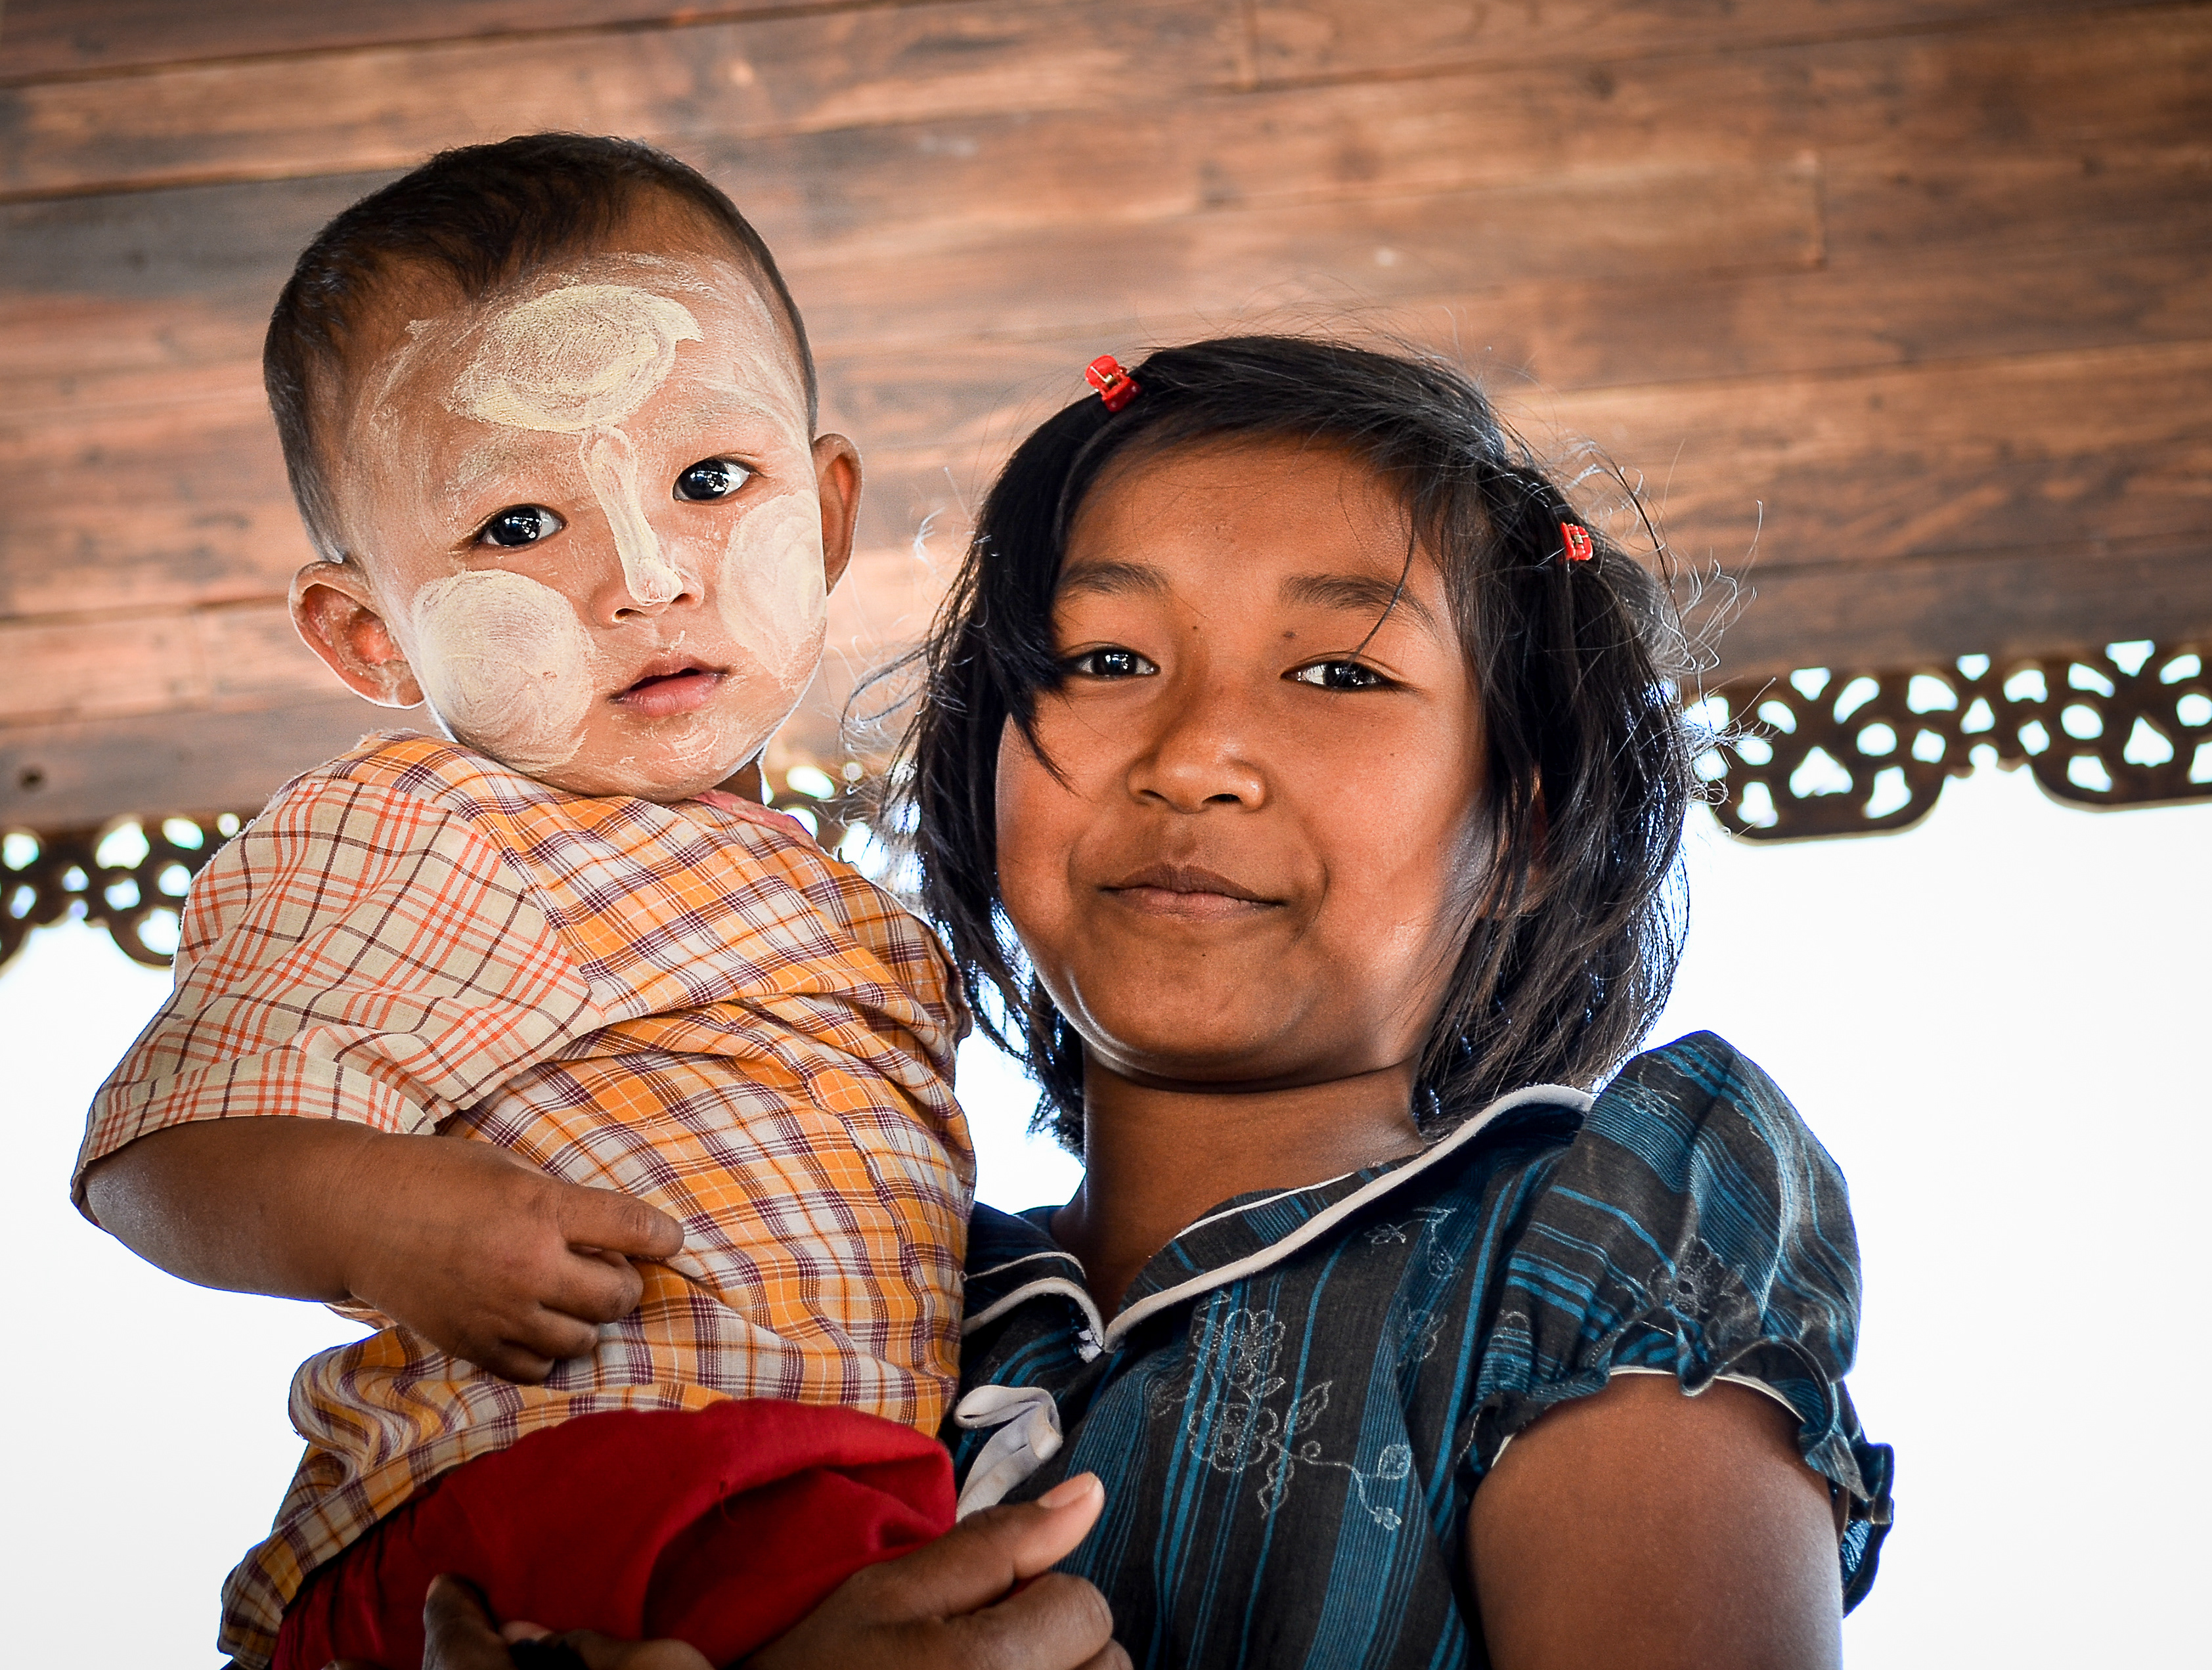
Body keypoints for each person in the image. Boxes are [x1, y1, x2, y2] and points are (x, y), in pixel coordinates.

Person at [74, 135, 1021, 1670]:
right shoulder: (438, 825)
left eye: (712, 480)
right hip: (564, 1492)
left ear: (831, 512)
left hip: (777, 1510)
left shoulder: (850, 911)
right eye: (518, 526)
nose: (647, 579)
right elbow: (158, 1151)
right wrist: (394, 1229)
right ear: (370, 638)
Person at [898, 337, 1895, 1666]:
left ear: (1524, 830)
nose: (1194, 758)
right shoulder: (846, 1275)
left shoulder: (1584, 1262)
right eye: (1106, 659)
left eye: (1343, 674)